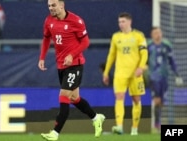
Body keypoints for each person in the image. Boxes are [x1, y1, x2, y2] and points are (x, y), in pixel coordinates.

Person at [38, 0, 105, 140]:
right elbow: (46, 39)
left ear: (62, 5)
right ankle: (96, 117)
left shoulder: (76, 21)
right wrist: (42, 58)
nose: (51, 8)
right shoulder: (49, 20)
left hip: (75, 64)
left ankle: (55, 132)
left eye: (54, 5)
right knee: (74, 98)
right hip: (61, 65)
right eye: (49, 6)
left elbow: (86, 42)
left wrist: (71, 55)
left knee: (64, 95)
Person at [103, 12, 148, 135]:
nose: (121, 24)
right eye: (119, 22)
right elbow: (111, 56)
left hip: (135, 73)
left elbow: (144, 53)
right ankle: (119, 127)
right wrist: (106, 72)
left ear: (129, 22)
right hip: (120, 73)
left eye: (123, 22)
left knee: (136, 99)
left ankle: (134, 129)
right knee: (119, 97)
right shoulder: (116, 37)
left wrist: (141, 67)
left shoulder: (138, 36)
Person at [147, 27, 183, 132]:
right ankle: (157, 124)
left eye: (159, 32)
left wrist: (177, 74)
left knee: (162, 102)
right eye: (155, 33)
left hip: (164, 76)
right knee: (157, 100)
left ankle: (157, 122)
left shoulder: (167, 45)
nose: (157, 35)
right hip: (153, 77)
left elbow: (172, 61)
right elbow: (143, 60)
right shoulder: (148, 46)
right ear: (152, 35)